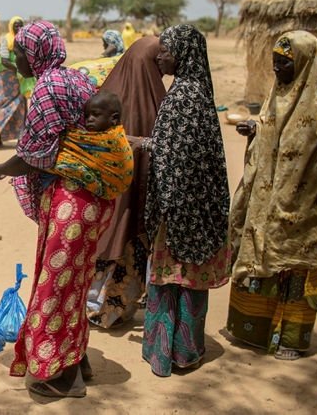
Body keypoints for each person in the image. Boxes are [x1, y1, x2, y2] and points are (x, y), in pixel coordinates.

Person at [0, 20, 111, 398]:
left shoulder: (47, 87)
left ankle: (61, 376)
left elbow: (35, 157)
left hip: (70, 203)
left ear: (35, 53)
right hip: (92, 200)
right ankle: (78, 359)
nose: (15, 58)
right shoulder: (77, 79)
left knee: (55, 288)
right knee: (73, 284)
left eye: (20, 51)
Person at [129, 24, 232, 377]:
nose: (160, 56)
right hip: (194, 207)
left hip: (178, 209)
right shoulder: (198, 90)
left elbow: (173, 156)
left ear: (184, 54)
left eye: (167, 50)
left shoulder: (183, 95)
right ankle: (186, 350)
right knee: (189, 278)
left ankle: (163, 353)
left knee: (171, 275)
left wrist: (139, 144)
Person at [226, 31, 317, 361]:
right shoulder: (277, 94)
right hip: (266, 202)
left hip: (307, 207)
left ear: (304, 64)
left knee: (297, 269)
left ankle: (291, 338)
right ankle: (255, 330)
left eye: (285, 63)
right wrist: (254, 132)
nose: (278, 68)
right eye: (275, 63)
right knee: (261, 260)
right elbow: (272, 138)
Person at [86, 36, 166, 329]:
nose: (162, 67)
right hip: (119, 192)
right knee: (116, 242)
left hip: (122, 193)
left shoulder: (125, 87)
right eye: (158, 60)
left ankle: (105, 308)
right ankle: (102, 308)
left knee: (119, 242)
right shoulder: (129, 94)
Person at [45, 91, 134, 202]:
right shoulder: (102, 136)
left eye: (95, 114)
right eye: (87, 116)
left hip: (103, 190)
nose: (89, 119)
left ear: (114, 119)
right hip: (107, 197)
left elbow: (70, 139)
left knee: (58, 162)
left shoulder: (111, 139)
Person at [0, 16, 27, 147]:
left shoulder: (25, 40)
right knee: (2, 104)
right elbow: (4, 60)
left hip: (20, 79)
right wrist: (19, 68)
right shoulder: (6, 40)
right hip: (7, 79)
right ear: (11, 26)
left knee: (21, 106)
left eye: (21, 25)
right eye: (16, 25)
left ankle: (22, 139)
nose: (19, 28)